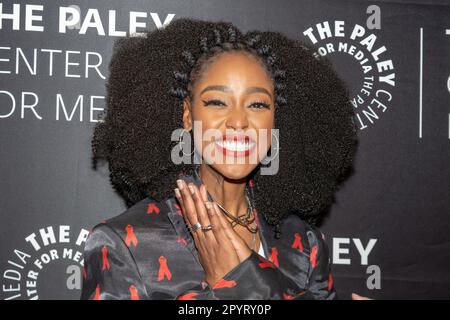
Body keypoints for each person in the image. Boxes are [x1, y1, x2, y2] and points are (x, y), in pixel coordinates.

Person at [81, 17, 358, 300]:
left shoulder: (304, 246)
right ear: (188, 115)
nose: (238, 122)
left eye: (257, 104)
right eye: (217, 102)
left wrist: (247, 284)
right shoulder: (124, 244)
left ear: (276, 120)